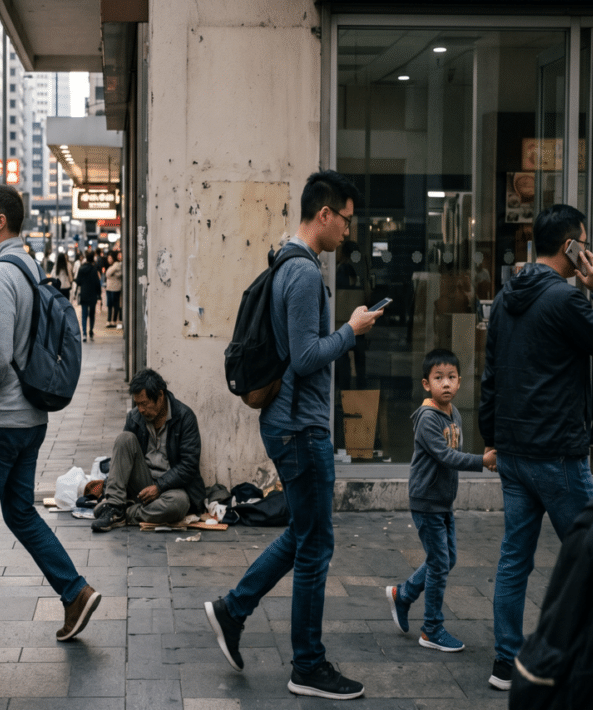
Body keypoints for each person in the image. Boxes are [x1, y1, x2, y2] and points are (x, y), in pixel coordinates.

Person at [204, 170, 381, 701]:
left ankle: (232, 609)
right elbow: (305, 358)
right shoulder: (303, 273)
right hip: (300, 427)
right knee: (316, 545)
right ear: (323, 215)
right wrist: (351, 331)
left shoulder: (286, 260)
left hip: (289, 424)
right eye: (346, 219)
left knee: (306, 533)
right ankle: (307, 664)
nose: (349, 230)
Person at [0, 184, 101, 646]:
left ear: (0, 221)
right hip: (29, 418)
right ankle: (75, 592)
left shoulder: (1, 276)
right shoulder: (28, 265)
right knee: (21, 513)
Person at [479, 203, 593, 691]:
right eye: (585, 240)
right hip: (558, 453)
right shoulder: (566, 300)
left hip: (515, 450)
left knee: (514, 557)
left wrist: (492, 434)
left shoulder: (505, 298)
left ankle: (506, 660)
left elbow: (490, 375)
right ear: (571, 246)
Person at [384, 349, 496, 653]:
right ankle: (431, 628)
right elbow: (446, 456)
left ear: (460, 382)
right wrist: (481, 462)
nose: (445, 383)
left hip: (443, 501)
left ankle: (403, 595)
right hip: (426, 500)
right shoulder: (427, 418)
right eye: (438, 378)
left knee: (447, 559)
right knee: (439, 563)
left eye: (451, 377)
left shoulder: (453, 413)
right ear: (426, 384)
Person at [91, 369, 203, 531]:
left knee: (178, 505)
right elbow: (122, 459)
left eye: (144, 403)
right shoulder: (135, 417)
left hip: (170, 488)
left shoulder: (185, 417)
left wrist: (159, 487)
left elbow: (189, 465)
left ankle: (124, 513)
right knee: (124, 439)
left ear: (160, 395)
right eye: (137, 404)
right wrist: (109, 490)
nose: (141, 409)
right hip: (142, 483)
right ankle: (115, 505)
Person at [76, 252, 101, 342]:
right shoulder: (94, 269)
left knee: (84, 314)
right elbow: (97, 283)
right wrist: (99, 294)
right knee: (92, 314)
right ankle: (91, 331)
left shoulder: (81, 268)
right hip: (93, 294)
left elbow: (78, 281)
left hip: (84, 293)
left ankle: (84, 334)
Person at [105, 250, 123, 328]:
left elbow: (108, 273)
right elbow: (108, 274)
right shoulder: (112, 266)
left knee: (115, 305)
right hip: (110, 288)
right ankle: (109, 320)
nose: (108, 259)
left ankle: (114, 321)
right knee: (110, 305)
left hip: (115, 288)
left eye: (110, 258)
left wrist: (111, 274)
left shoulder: (116, 265)